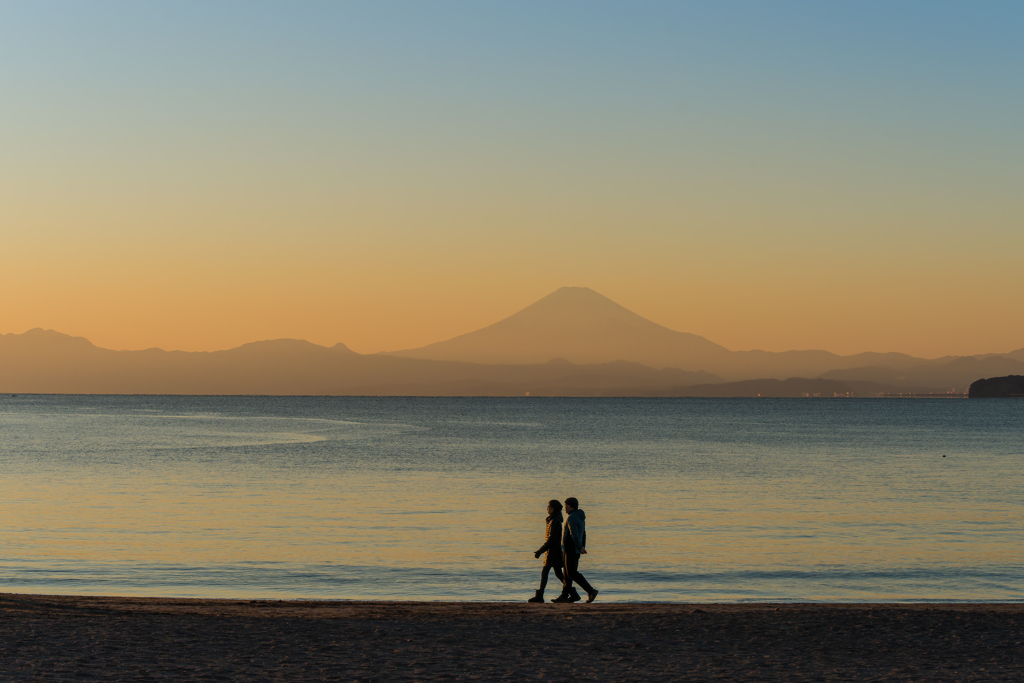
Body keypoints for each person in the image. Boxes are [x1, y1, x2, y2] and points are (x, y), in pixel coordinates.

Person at [551, 497, 598, 603]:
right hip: (574, 549)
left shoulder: (572, 518)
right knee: (567, 574)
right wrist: (581, 546)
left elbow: (574, 535)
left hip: (571, 549)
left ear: (570, 506)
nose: (564, 508)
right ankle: (565, 595)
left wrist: (580, 547)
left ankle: (591, 591)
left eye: (565, 505)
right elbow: (584, 533)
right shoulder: (580, 517)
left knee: (571, 573)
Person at [527, 499, 565, 603]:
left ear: (553, 508)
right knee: (554, 573)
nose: (547, 509)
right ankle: (570, 592)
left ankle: (570, 592)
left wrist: (540, 551)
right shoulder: (553, 519)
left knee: (549, 573)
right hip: (552, 552)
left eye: (549, 507)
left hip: (553, 552)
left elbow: (551, 539)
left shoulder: (555, 521)